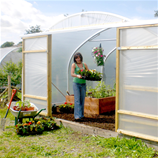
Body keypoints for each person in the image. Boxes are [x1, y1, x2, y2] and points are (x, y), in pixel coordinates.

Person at [71, 52, 89, 121]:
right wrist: (77, 75)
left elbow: (88, 72)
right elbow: (72, 74)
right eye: (76, 58)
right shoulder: (74, 65)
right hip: (76, 83)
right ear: (75, 59)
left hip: (83, 83)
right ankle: (77, 116)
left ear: (81, 58)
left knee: (82, 99)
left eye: (78, 57)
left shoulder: (84, 65)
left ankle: (81, 115)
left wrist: (88, 75)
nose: (77, 59)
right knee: (77, 100)